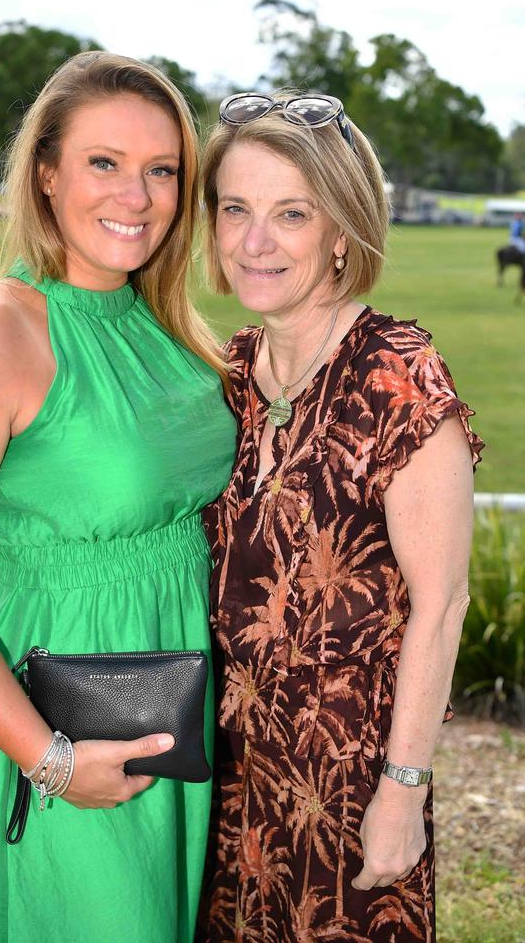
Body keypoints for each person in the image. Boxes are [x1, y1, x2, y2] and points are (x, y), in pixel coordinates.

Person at [0, 52, 236, 943]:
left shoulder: (166, 330)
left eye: (162, 170)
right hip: (66, 713)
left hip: (175, 696)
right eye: (104, 163)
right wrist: (51, 759)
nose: (138, 195)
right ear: (45, 176)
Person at [195, 92, 484, 941]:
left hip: (351, 787)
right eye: (236, 209)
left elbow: (443, 604)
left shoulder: (396, 376)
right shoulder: (228, 374)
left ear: (341, 231)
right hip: (227, 780)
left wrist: (404, 789)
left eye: (291, 213)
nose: (256, 241)